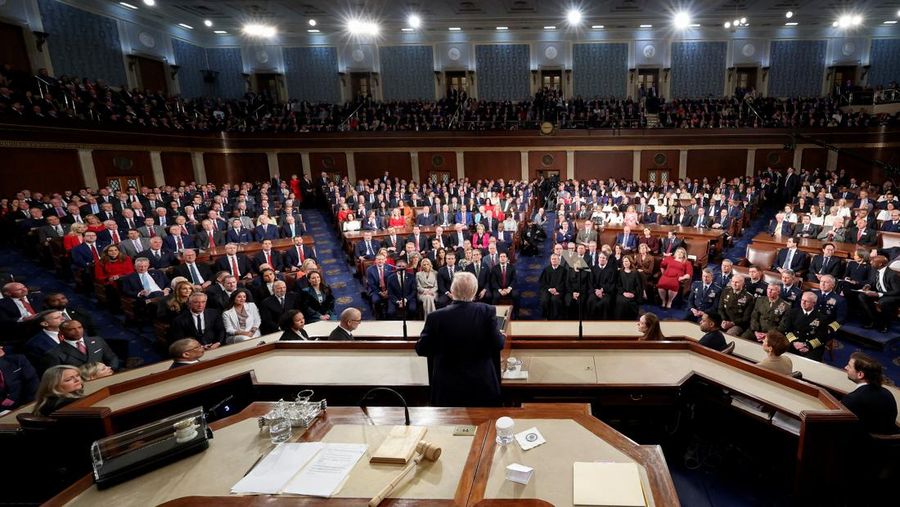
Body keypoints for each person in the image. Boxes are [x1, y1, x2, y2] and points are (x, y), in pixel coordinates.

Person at [415, 271, 504, 407]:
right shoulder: (487, 311)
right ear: (474, 291)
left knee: (448, 426)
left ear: (452, 290)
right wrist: (499, 335)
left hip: (447, 386)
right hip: (481, 383)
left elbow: (422, 349)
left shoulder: (436, 317)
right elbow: (498, 344)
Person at [40, 320, 120, 373]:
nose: (78, 331)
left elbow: (112, 358)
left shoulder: (97, 340)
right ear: (61, 333)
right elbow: (58, 376)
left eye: (79, 327)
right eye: (71, 329)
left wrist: (111, 370)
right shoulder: (54, 354)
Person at [0, 346, 39, 410]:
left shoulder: (18, 360)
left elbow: (32, 383)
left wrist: (26, 406)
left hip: (26, 405)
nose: (1, 347)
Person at [616, 255, 643, 319]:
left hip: (632, 294)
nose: (625, 263)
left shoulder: (635, 273)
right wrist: (624, 293)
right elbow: (618, 285)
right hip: (622, 293)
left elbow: (638, 286)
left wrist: (633, 294)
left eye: (626, 261)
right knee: (621, 301)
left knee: (628, 302)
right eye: (624, 261)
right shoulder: (620, 272)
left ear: (630, 262)